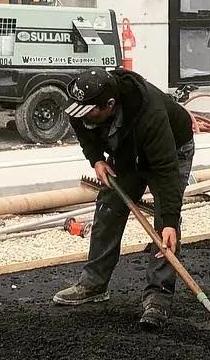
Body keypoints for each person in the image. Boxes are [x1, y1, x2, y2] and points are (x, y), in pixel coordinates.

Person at [54, 65, 196, 329]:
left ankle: (158, 298)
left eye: (89, 113)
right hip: (128, 150)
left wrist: (169, 219)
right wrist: (96, 159)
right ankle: (94, 284)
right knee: (109, 205)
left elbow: (166, 172)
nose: (81, 115)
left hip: (171, 150)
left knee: (165, 226)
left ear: (109, 104)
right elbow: (82, 128)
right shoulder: (83, 102)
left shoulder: (150, 113)